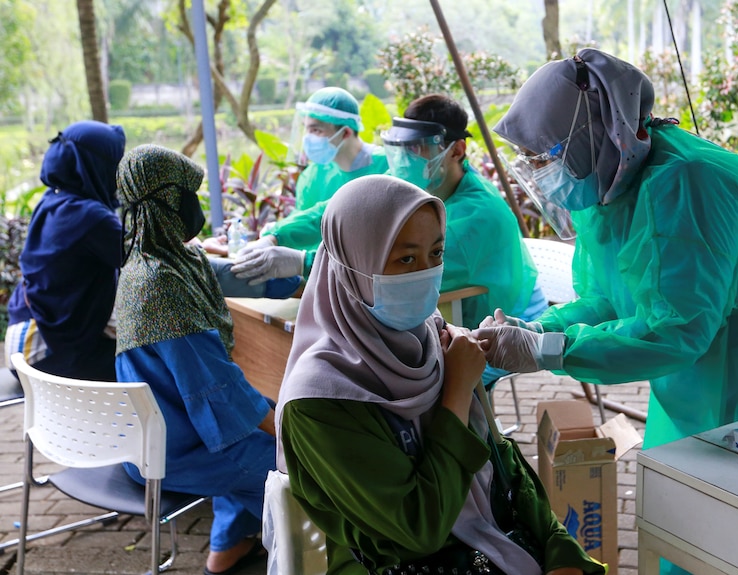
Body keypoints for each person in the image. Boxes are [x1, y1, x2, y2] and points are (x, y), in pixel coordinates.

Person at [474, 49, 738, 450]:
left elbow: (676, 328)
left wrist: (548, 351)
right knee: (683, 489)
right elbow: (609, 300)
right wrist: (543, 329)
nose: (539, 173)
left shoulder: (688, 185)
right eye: (527, 159)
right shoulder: (608, 186)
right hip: (693, 369)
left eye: (543, 157)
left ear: (593, 136)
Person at [277, 174, 606, 575]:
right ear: (353, 267)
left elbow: (506, 473)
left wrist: (560, 550)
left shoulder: (435, 343)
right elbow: (419, 530)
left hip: (495, 545)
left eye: (436, 254)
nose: (426, 273)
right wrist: (456, 394)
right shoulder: (320, 401)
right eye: (405, 259)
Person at [114, 144, 274, 575]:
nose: (196, 206)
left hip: (167, 432)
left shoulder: (158, 258)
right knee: (305, 464)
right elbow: (218, 395)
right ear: (170, 200)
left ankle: (226, 550)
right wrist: (291, 428)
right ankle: (319, 557)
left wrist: (304, 271)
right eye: (189, 195)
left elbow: (240, 275)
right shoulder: (161, 287)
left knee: (252, 433)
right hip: (177, 450)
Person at [382, 94, 544, 332]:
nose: (407, 159)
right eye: (404, 148)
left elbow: (406, 273)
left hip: (505, 330)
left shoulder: (477, 215)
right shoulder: (438, 184)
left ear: (456, 151)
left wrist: (312, 265)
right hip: (464, 318)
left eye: (418, 147)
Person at [4, 120, 125, 381]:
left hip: (23, 343)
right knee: (148, 368)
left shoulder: (53, 200)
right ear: (98, 167)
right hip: (43, 353)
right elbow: (146, 256)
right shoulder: (91, 216)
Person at [230, 86, 389, 285]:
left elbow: (332, 216)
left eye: (316, 130)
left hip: (369, 280)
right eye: (306, 129)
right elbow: (308, 225)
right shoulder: (312, 176)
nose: (308, 137)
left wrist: (278, 236)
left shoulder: (387, 168)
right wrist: (273, 236)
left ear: (346, 132)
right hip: (320, 279)